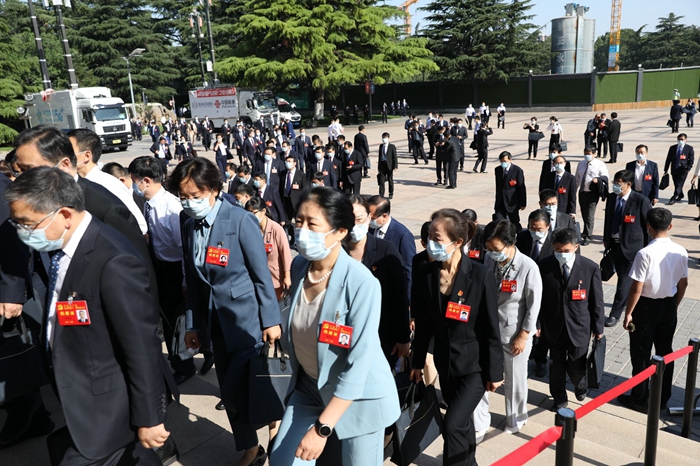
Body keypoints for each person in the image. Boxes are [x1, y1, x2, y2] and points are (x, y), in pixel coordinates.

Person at [5, 167, 170, 465]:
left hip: (107, 409)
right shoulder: (65, 248)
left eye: (27, 224)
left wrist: (149, 417)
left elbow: (141, 345)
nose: (22, 232)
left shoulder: (113, 260)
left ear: (65, 215)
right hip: (79, 396)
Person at [269, 187, 400, 466]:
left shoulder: (362, 283)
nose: (301, 230)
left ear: (341, 231)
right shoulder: (299, 266)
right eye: (298, 221)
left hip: (359, 396)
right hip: (310, 387)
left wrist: (322, 429)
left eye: (312, 224)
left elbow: (359, 363)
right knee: (283, 460)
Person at [171, 157, 281, 466]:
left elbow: (261, 276)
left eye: (196, 195)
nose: (190, 202)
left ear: (215, 190)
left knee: (256, 385)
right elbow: (193, 282)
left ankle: (276, 435)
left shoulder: (240, 220)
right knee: (230, 392)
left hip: (247, 322)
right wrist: (193, 326)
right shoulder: (188, 223)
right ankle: (250, 448)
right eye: (184, 196)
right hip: (214, 323)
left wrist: (271, 320)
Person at [410, 208, 503, 465]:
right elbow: (424, 326)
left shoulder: (480, 275)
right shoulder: (425, 274)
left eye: (437, 238)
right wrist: (418, 363)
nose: (430, 243)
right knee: (461, 423)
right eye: (429, 236)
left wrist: (495, 372)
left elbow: (491, 328)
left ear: (458, 242)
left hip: (474, 367)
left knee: (452, 424)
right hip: (445, 364)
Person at [128, 156, 200, 384]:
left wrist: (186, 280)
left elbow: (185, 250)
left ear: (146, 181)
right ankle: (179, 359)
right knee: (168, 320)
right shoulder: (150, 204)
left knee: (176, 321)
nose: (133, 186)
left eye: (134, 181)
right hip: (160, 266)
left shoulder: (171, 208)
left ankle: (184, 364)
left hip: (176, 271)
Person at [474, 220, 541, 437]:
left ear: (511, 243)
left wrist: (524, 334)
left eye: (496, 249)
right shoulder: (489, 259)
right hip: (489, 329)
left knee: (514, 379)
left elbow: (533, 305)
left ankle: (516, 419)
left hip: (514, 332)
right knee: (483, 374)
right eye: (489, 249)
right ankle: (480, 420)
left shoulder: (528, 267)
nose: (492, 253)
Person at [618, 208, 688, 413]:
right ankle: (662, 397)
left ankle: (639, 398)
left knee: (641, 353)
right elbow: (683, 284)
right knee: (665, 352)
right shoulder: (681, 251)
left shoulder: (644, 253)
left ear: (647, 226)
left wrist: (628, 312)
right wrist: (674, 305)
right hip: (668, 304)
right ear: (670, 226)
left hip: (646, 307)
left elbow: (636, 287)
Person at [538, 228, 605, 410]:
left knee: (577, 365)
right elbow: (537, 298)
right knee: (556, 366)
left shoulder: (589, 268)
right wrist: (537, 324)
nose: (562, 254)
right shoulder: (543, 266)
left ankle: (580, 384)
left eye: (566, 251)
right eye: (558, 250)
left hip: (580, 327)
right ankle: (559, 399)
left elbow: (597, 301)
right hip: (554, 326)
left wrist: (599, 328)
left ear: (576, 247)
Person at [344, 195, 410, 367]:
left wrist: (403, 337)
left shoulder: (386, 250)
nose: (354, 225)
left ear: (368, 218)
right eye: (348, 220)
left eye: (359, 219)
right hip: (344, 335)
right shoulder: (337, 251)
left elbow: (400, 295)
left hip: (381, 333)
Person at [67, 129, 148, 235]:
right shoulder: (73, 185)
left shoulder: (108, 184)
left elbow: (139, 224)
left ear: (87, 156)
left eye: (69, 152)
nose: (64, 157)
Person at [602, 170, 652, 327]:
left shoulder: (640, 201)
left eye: (618, 183)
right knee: (618, 277)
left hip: (633, 249)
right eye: (615, 182)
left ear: (628, 184)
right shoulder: (611, 198)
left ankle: (615, 314)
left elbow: (648, 227)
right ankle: (633, 300)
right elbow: (608, 219)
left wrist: (649, 248)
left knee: (623, 281)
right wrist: (606, 239)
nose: (615, 186)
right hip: (614, 246)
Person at [367, 195, 416, 302]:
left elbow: (409, 270)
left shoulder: (403, 235)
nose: (369, 221)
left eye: (372, 218)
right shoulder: (369, 230)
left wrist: (407, 300)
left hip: (391, 293)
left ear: (384, 216)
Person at [246, 197, 292, 301]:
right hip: (258, 277)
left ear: (263, 211)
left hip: (276, 278)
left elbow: (286, 254)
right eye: (248, 212)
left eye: (253, 212)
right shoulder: (251, 228)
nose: (250, 216)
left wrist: (287, 277)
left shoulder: (276, 229)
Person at [575, 146, 609, 246]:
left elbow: (605, 176)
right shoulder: (580, 164)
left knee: (590, 214)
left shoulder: (599, 164)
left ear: (594, 154)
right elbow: (577, 177)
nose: (587, 155)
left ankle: (588, 235)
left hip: (592, 193)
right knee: (584, 212)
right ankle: (586, 230)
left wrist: (597, 179)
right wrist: (574, 189)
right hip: (582, 192)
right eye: (585, 153)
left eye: (589, 153)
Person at [493, 151, 527, 231]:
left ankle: (519, 236)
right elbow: (498, 186)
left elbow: (521, 188)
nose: (503, 163)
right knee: (498, 222)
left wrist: (523, 203)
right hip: (500, 201)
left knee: (514, 222)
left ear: (510, 160)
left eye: (505, 161)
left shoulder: (517, 171)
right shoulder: (498, 170)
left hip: (512, 202)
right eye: (501, 161)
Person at [281, 154, 308, 243]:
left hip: (297, 203)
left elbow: (304, 190)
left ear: (294, 163)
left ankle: (299, 239)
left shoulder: (301, 175)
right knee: (287, 222)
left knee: (298, 222)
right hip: (286, 201)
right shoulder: (283, 173)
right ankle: (292, 237)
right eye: (286, 161)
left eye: (290, 162)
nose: (287, 163)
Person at [664, 133, 695, 205]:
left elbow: (691, 160)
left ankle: (673, 198)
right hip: (674, 168)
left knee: (679, 184)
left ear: (685, 140)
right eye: (679, 139)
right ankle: (680, 194)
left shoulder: (689, 148)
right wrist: (666, 169)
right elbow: (668, 159)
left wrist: (688, 168)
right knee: (676, 184)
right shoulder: (672, 148)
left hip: (683, 170)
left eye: (682, 139)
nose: (680, 141)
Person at [377, 132, 398, 199]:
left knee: (390, 180)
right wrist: (379, 166)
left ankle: (391, 193)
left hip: (389, 165)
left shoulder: (392, 146)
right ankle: (381, 194)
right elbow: (379, 157)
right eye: (383, 138)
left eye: (385, 138)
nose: (384, 139)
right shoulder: (381, 146)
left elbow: (395, 157)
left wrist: (395, 165)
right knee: (381, 181)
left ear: (388, 138)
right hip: (382, 164)